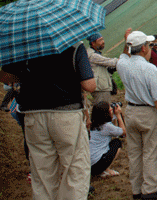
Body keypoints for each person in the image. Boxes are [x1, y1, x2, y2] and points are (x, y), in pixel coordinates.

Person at [1, 42, 96, 199]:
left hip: (33, 116)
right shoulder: (74, 46)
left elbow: (4, 76)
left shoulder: (23, 45)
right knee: (74, 170)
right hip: (67, 114)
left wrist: (27, 74)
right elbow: (89, 85)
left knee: (42, 174)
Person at [117, 29, 157, 200]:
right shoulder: (150, 69)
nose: (150, 47)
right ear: (143, 49)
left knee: (134, 153)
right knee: (150, 152)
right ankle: (150, 189)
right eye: (149, 45)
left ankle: (136, 189)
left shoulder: (122, 64)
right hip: (148, 113)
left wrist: (127, 41)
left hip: (131, 111)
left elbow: (124, 55)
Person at [90, 101, 126, 177]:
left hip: (89, 165)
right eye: (110, 110)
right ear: (106, 113)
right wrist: (118, 115)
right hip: (97, 166)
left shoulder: (94, 124)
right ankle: (105, 170)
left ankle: (103, 169)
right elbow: (123, 132)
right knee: (116, 143)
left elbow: (115, 131)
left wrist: (114, 117)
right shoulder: (106, 126)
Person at [87, 32, 119, 104]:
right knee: (103, 109)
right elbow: (111, 62)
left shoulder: (95, 53)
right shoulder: (93, 56)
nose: (103, 42)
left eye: (102, 39)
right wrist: (122, 60)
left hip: (101, 87)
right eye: (100, 40)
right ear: (93, 43)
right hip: (100, 89)